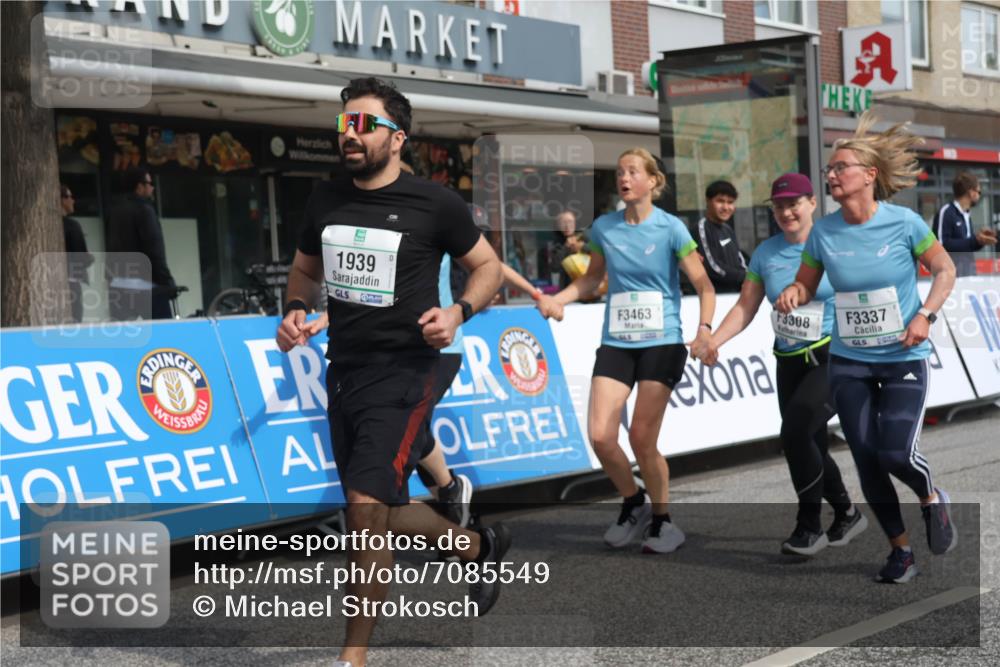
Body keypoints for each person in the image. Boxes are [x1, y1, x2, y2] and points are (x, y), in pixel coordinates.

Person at [275, 77, 508, 667]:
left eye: (364, 124)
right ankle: (476, 545)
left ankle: (351, 658)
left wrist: (458, 311)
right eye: (343, 124)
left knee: (361, 506)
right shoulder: (325, 200)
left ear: (397, 137)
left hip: (408, 367)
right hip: (344, 369)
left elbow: (488, 267)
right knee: (377, 504)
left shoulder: (436, 203)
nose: (349, 135)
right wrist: (296, 312)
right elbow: (303, 274)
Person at [776, 112, 958, 584]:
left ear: (869, 176)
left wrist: (926, 315)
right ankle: (901, 551)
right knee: (865, 456)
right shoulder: (824, 233)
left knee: (895, 454)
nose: (831, 175)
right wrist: (795, 292)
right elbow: (806, 281)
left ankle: (931, 497)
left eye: (840, 168)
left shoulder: (904, 223)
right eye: (829, 170)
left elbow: (945, 270)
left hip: (902, 358)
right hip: (850, 361)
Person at [536, 148, 716, 553]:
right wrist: (560, 299)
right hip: (617, 341)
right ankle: (633, 502)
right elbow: (593, 280)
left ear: (653, 181)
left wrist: (704, 329)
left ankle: (664, 521)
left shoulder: (671, 229)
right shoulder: (604, 227)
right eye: (620, 172)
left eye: (633, 172)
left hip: (663, 342)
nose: (624, 178)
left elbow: (703, 285)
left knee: (641, 437)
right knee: (600, 436)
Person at [700, 173, 867, 556]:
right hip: (788, 359)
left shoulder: (834, 242)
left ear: (812, 203)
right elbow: (746, 306)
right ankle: (847, 512)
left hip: (832, 356)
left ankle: (809, 527)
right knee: (807, 440)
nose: (787, 212)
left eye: (794, 204)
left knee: (794, 433)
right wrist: (713, 340)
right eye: (779, 206)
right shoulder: (766, 253)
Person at [106, 167, 177, 320]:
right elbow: (155, 249)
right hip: (146, 285)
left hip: (119, 285)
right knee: (165, 337)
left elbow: (111, 247)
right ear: (139, 187)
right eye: (149, 183)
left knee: (126, 338)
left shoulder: (115, 211)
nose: (152, 188)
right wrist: (167, 281)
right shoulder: (145, 210)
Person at [934, 171, 996, 277]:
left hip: (968, 274)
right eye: (979, 192)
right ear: (971, 192)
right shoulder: (947, 212)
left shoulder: (966, 214)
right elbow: (941, 245)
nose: (979, 196)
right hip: (950, 277)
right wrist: (974, 240)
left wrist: (980, 241)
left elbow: (967, 245)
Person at [696, 180, 747, 293]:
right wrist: (744, 277)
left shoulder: (728, 229)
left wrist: (749, 278)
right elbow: (711, 266)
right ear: (708, 201)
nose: (725, 207)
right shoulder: (702, 227)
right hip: (715, 297)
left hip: (736, 295)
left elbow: (740, 261)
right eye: (720, 201)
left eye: (730, 202)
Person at [60, 184, 94, 323]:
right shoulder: (72, 226)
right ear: (61, 200)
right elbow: (82, 257)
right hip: (71, 283)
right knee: (75, 322)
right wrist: (90, 257)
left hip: (51, 283)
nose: (73, 200)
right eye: (69, 197)